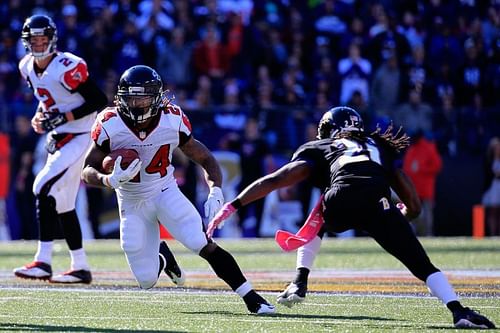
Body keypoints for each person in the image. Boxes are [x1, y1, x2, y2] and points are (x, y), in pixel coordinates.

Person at [207, 106, 495, 329]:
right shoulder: (379, 146)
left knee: (321, 206)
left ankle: (300, 280)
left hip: (341, 199)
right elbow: (414, 205)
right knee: (421, 263)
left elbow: (278, 179)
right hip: (378, 202)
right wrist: (395, 220)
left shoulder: (322, 146)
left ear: (330, 130)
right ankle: (458, 310)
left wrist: (233, 205)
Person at [81, 65, 275, 314]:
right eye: (132, 97)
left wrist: (215, 188)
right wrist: (108, 180)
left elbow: (205, 157)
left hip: (164, 190)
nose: (138, 104)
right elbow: (87, 169)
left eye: (144, 97)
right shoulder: (110, 123)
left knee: (200, 241)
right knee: (146, 281)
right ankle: (163, 257)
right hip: (130, 201)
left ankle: (252, 298)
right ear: (121, 98)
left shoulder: (172, 119)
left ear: (157, 98)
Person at [13, 15, 108, 283]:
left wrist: (63, 118)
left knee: (41, 186)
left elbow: (98, 100)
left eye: (43, 39)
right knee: (64, 203)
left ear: (52, 39)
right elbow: (46, 98)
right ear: (27, 42)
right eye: (35, 40)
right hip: (59, 137)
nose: (39, 44)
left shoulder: (67, 65)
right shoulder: (26, 67)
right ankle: (80, 266)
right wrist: (39, 114)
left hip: (79, 135)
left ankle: (42, 261)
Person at [402, 130, 442, 236]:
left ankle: (428, 234)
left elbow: (437, 166)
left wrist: (421, 169)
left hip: (426, 188)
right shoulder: (411, 149)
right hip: (413, 188)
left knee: (427, 213)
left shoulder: (429, 147)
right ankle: (415, 234)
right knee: (412, 211)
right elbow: (407, 168)